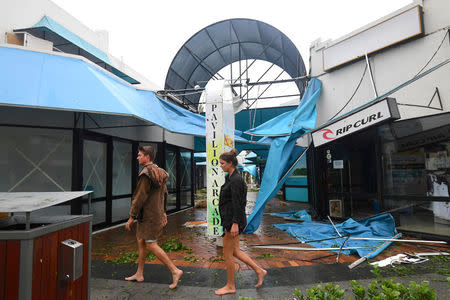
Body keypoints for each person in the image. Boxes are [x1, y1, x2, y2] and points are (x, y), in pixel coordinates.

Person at [124, 145, 183, 289]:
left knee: (150, 244)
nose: (137, 157)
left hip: (148, 216)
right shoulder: (159, 172)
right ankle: (139, 273)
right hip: (152, 214)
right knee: (141, 241)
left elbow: (139, 197)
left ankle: (175, 271)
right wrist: (163, 211)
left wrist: (131, 217)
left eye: (139, 155)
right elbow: (165, 193)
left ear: (147, 157)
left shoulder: (146, 174)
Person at [215, 149, 267, 296]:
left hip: (232, 221)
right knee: (235, 251)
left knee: (228, 254)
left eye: (223, 163)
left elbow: (239, 203)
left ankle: (231, 286)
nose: (221, 166)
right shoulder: (231, 177)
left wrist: (235, 224)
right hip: (230, 220)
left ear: (230, 163)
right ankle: (259, 271)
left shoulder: (236, 180)